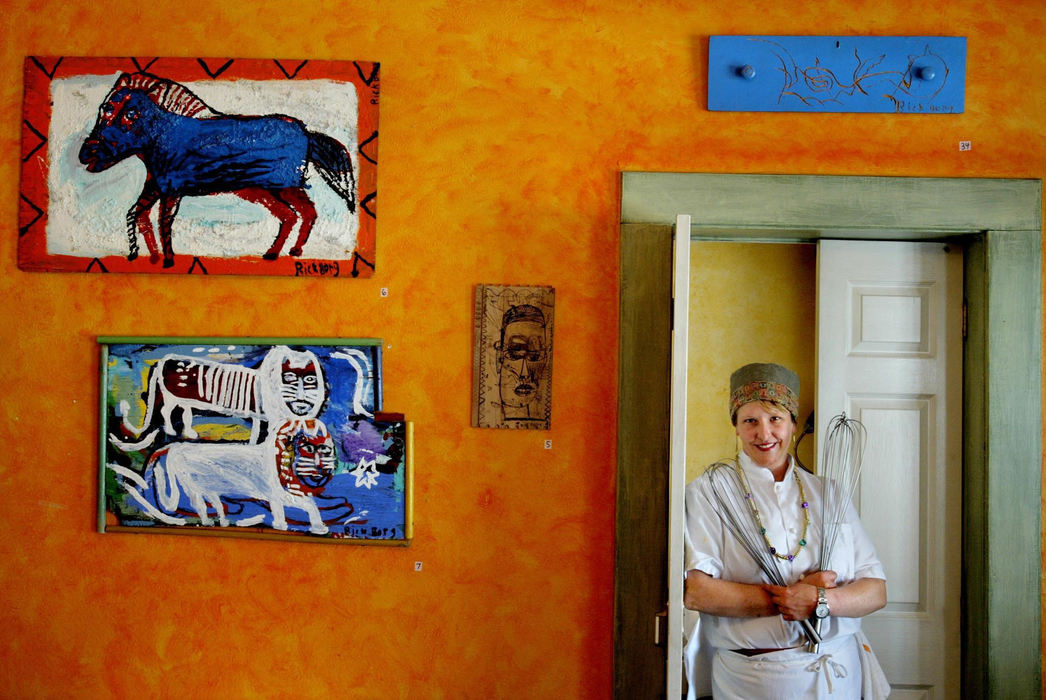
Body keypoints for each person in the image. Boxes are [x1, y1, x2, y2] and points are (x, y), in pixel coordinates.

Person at [683, 362, 888, 699]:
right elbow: (699, 592)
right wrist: (797, 597)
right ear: (735, 426)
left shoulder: (829, 493)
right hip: (752, 683)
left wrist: (819, 600)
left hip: (837, 677)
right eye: (750, 421)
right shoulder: (708, 491)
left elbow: (875, 591)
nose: (764, 434)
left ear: (793, 423)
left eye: (775, 419)